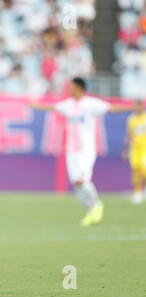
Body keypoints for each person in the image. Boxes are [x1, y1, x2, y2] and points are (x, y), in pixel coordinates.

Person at [30, 77, 132, 226]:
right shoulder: (68, 105)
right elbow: (53, 107)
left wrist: (132, 107)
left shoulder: (90, 104)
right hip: (72, 151)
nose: (69, 89)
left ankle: (97, 205)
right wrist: (35, 105)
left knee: (81, 180)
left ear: (79, 87)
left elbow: (111, 108)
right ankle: (90, 211)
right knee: (76, 185)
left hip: (86, 150)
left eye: (71, 86)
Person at [122, 99, 146, 204]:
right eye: (134, 106)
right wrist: (125, 149)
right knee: (135, 170)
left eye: (137, 106)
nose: (136, 108)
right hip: (135, 148)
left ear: (141, 106)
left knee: (144, 168)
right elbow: (129, 135)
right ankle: (137, 193)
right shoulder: (131, 119)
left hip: (145, 148)